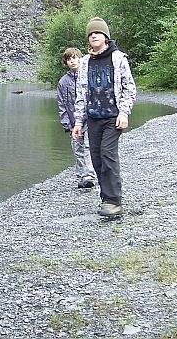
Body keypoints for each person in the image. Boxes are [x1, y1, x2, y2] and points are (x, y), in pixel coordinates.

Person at [72, 17, 137, 218]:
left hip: (113, 117)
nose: (94, 36)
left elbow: (129, 88)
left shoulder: (118, 59)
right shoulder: (84, 62)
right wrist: (79, 121)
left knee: (108, 155)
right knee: (97, 158)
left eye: (97, 33)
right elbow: (81, 93)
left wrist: (124, 112)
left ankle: (114, 201)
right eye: (91, 34)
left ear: (105, 37)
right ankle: (105, 196)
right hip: (93, 117)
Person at [57, 47, 98, 189]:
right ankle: (82, 175)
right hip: (73, 123)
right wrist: (67, 125)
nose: (72, 61)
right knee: (78, 148)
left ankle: (90, 176)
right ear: (66, 63)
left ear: (81, 58)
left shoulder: (88, 76)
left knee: (88, 147)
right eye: (69, 59)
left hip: (89, 120)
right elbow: (62, 105)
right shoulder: (63, 82)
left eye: (75, 58)